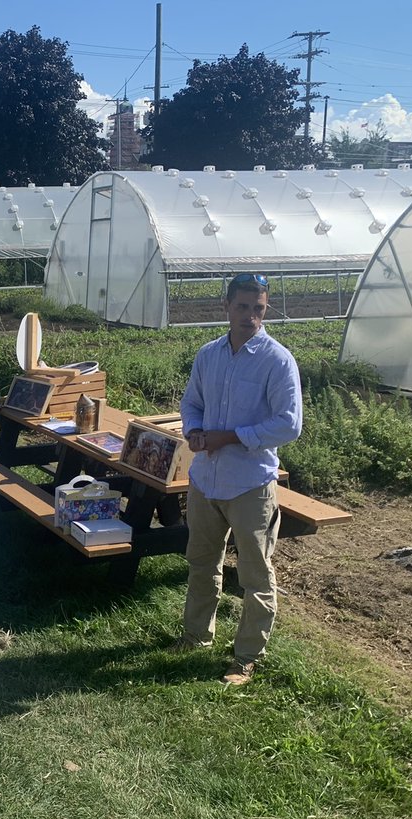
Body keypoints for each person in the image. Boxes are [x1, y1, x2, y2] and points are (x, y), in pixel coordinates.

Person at [172, 273, 303, 686]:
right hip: (206, 479)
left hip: (250, 484)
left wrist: (230, 437)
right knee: (201, 562)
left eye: (259, 308)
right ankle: (196, 635)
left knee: (255, 575)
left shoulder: (277, 360)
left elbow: (289, 424)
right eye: (243, 306)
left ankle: (246, 656)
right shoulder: (209, 354)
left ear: (265, 309)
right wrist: (194, 430)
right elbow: (191, 401)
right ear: (226, 306)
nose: (250, 316)